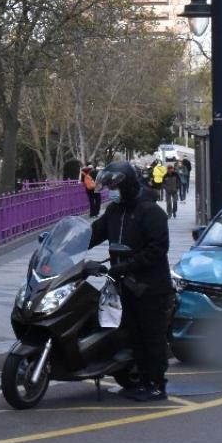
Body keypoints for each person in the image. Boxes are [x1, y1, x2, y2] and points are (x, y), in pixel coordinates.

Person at [88, 162, 173, 402]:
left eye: (115, 187)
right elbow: (94, 233)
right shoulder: (115, 211)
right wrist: (66, 246)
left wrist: (128, 265)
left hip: (150, 287)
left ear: (126, 185)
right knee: (134, 336)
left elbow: (158, 249)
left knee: (152, 338)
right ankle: (141, 381)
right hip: (124, 285)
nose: (111, 192)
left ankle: (157, 385)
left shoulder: (150, 211)